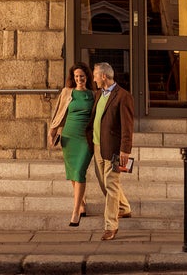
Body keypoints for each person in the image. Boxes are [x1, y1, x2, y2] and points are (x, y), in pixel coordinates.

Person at [89, 62, 134, 241]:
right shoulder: (99, 94)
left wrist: (125, 149)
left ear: (103, 76)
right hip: (97, 146)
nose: (94, 79)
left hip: (114, 148)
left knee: (111, 184)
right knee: (104, 183)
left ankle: (110, 226)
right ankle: (124, 208)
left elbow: (127, 126)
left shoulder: (123, 96)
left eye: (95, 76)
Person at [47, 62, 94, 227]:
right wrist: (52, 132)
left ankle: (75, 212)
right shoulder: (67, 92)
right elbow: (58, 112)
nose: (79, 79)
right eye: (76, 76)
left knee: (80, 170)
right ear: (73, 78)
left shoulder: (93, 94)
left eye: (82, 76)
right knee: (73, 172)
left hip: (85, 138)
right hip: (69, 136)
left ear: (87, 77)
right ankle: (81, 204)